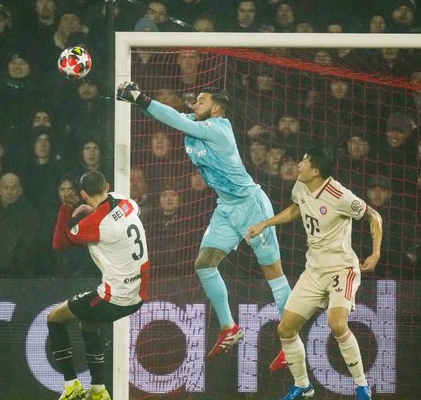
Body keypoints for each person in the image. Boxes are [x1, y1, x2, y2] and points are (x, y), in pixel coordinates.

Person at [116, 82, 292, 363]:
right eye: (195, 99)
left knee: (273, 272)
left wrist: (140, 96)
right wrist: (136, 102)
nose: (195, 104)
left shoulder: (220, 128)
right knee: (204, 264)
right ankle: (229, 327)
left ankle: (291, 341)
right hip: (226, 208)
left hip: (251, 206)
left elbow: (173, 117)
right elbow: (168, 115)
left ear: (217, 107)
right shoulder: (192, 123)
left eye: (202, 100)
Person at [246, 147, 382, 400]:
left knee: (337, 323)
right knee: (285, 328)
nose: (299, 164)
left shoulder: (339, 194)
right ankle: (302, 385)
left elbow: (374, 216)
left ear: (316, 170)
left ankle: (362, 385)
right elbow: (298, 209)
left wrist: (375, 254)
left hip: (342, 268)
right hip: (314, 270)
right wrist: (266, 223)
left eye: (305, 161)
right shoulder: (300, 186)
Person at [48, 170, 149, 400]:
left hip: (114, 297)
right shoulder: (127, 202)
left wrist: (66, 209)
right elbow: (113, 212)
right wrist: (92, 209)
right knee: (89, 324)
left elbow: (59, 243)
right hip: (139, 292)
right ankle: (98, 390)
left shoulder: (95, 224)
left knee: (54, 318)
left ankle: (71, 384)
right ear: (107, 186)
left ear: (83, 194)